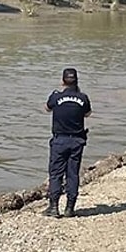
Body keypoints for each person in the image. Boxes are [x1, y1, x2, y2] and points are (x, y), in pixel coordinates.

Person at [44, 68, 91, 218]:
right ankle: (70, 208)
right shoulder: (83, 98)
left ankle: (53, 207)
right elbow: (88, 113)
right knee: (72, 174)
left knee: (56, 173)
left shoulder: (56, 97)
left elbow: (47, 108)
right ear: (76, 81)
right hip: (77, 141)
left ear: (62, 81)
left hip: (60, 140)